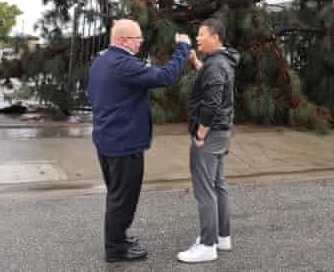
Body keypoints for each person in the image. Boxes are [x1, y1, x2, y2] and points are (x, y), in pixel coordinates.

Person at [88, 19, 191, 263]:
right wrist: (183, 48)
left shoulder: (100, 62)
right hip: (125, 143)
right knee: (122, 198)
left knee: (116, 194)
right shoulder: (125, 64)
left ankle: (119, 238)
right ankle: (115, 249)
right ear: (124, 40)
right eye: (138, 39)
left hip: (106, 139)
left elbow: (91, 94)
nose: (141, 43)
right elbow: (165, 77)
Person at [177, 18, 240, 263]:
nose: (198, 38)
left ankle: (207, 244)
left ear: (216, 37)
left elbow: (212, 102)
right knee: (217, 184)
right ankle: (222, 237)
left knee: (205, 190)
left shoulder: (215, 66)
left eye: (202, 34)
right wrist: (195, 62)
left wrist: (201, 134)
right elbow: (214, 82)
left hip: (211, 134)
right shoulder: (221, 61)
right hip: (222, 132)